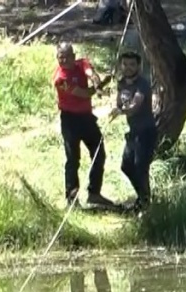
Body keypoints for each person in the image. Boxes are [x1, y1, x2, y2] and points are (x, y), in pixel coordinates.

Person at [54, 42, 112, 207]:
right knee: (73, 159)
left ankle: (94, 193)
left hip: (86, 118)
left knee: (98, 153)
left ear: (73, 56)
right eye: (60, 57)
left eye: (67, 57)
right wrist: (100, 87)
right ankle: (72, 198)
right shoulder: (60, 79)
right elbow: (82, 93)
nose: (64, 60)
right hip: (70, 120)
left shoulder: (82, 63)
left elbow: (91, 73)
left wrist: (97, 82)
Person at [109, 50, 155, 210]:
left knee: (141, 167)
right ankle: (143, 197)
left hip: (146, 132)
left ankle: (145, 203)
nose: (128, 68)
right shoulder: (121, 83)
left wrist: (121, 111)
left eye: (132, 65)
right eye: (125, 64)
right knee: (126, 166)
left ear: (138, 66)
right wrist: (115, 108)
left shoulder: (143, 84)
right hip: (133, 132)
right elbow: (119, 103)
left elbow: (135, 105)